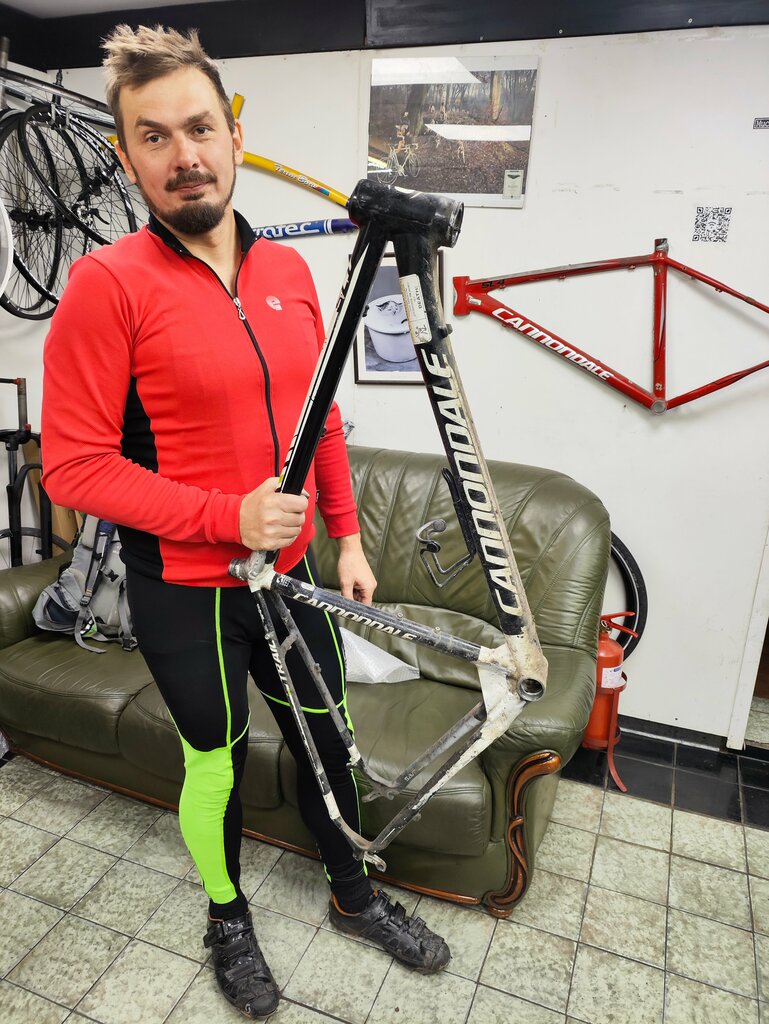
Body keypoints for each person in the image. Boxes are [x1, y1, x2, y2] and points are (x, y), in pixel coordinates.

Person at [41, 24, 450, 1021]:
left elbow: (320, 419)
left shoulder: (289, 274)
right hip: (187, 591)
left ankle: (354, 895)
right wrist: (227, 515)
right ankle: (227, 917)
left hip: (293, 576)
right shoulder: (106, 285)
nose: (182, 155)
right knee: (215, 762)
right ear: (127, 158)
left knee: (328, 739)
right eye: (153, 137)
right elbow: (74, 467)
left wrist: (347, 535)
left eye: (197, 128)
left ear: (233, 135)